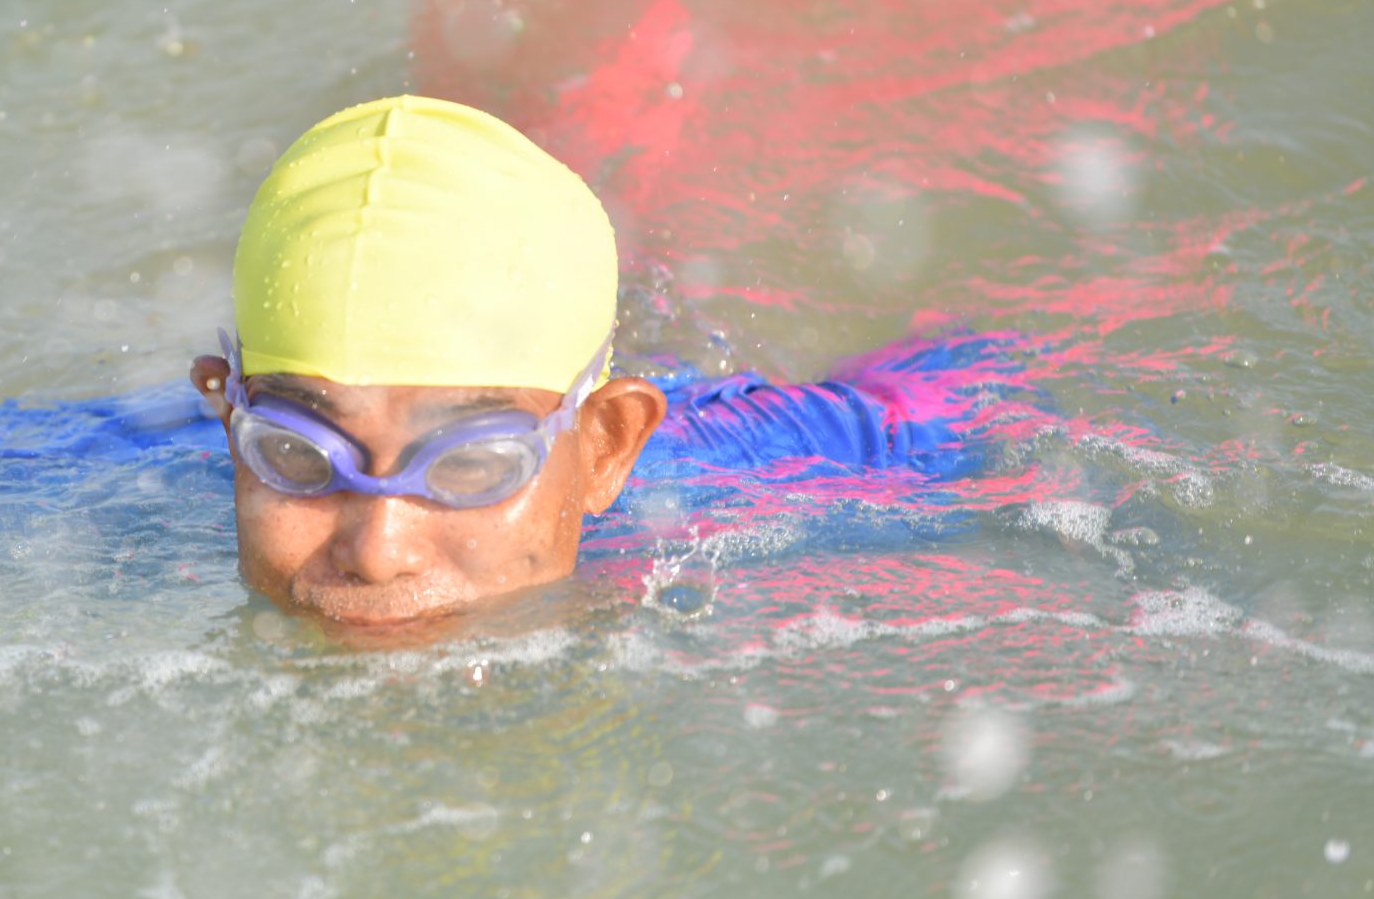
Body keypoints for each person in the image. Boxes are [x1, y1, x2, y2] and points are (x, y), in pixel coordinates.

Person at [188, 94, 1010, 632]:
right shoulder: (129, 475)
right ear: (227, 417)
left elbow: (984, 377)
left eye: (472, 462)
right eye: (299, 453)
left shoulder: (761, 469)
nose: (377, 550)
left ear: (607, 446)